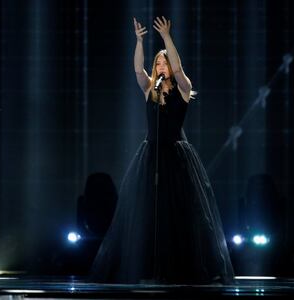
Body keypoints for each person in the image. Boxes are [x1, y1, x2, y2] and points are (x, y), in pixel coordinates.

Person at [88, 16, 234, 284]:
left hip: (177, 159)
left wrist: (167, 38)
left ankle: (185, 268)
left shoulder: (183, 90)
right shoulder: (150, 91)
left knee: (180, 214)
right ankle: (148, 267)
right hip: (152, 157)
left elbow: (179, 71)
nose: (160, 65)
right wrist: (140, 41)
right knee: (149, 214)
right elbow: (137, 71)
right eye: (158, 62)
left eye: (163, 62)